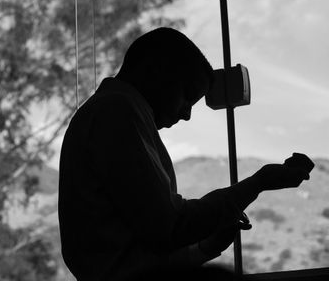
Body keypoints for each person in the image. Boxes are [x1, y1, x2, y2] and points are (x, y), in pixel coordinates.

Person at [58, 27, 311, 281]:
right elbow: (169, 227)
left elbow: (145, 246)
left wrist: (205, 247)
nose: (186, 114)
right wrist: (259, 183)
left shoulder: (112, 111)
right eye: (187, 96)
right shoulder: (116, 112)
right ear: (155, 71)